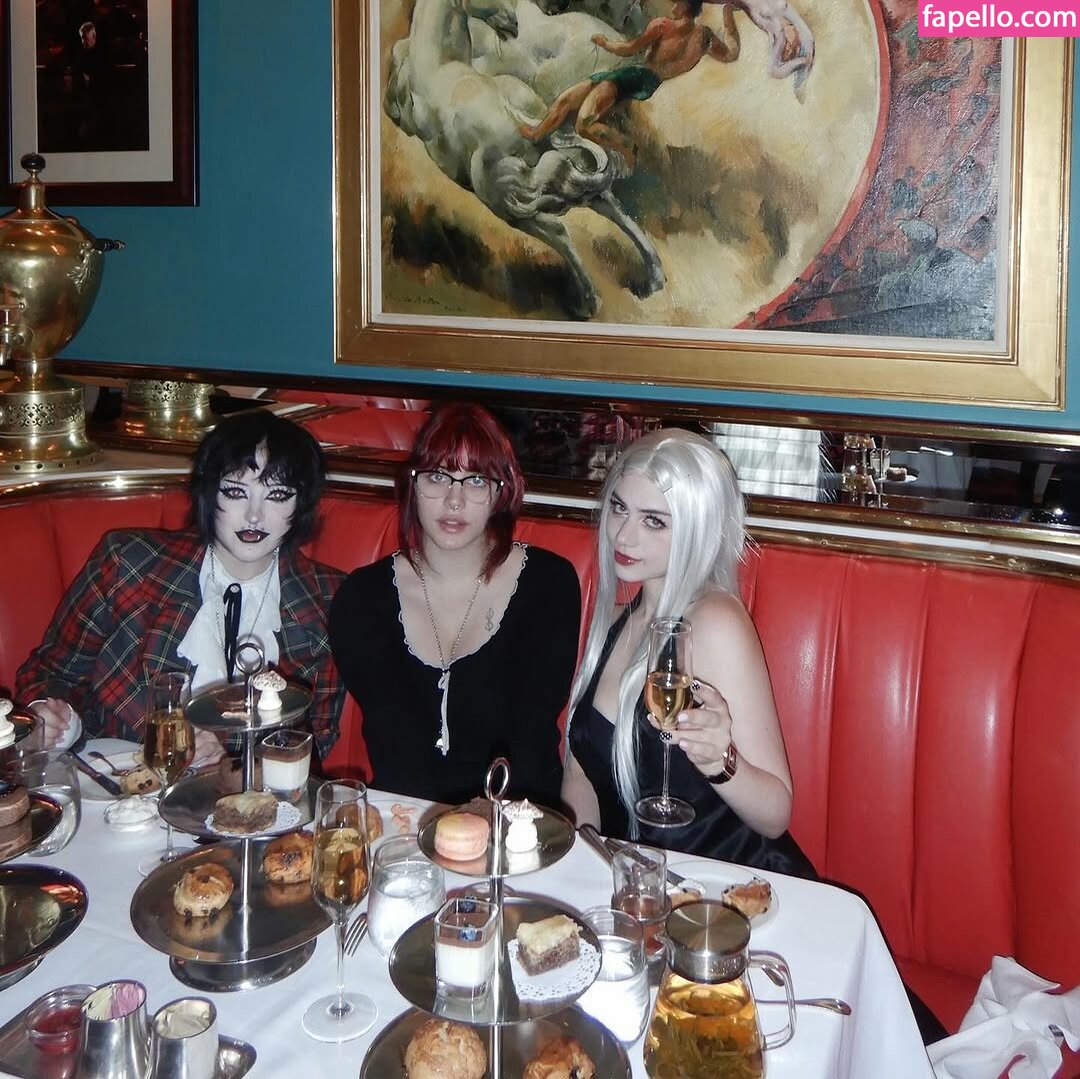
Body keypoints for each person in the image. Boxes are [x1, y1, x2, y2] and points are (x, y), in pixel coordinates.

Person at [17, 411, 346, 766]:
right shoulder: (129, 563)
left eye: (277, 495)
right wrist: (55, 721)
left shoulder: (329, 600)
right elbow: (51, 673)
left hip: (243, 797)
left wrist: (232, 764)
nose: (254, 515)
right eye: (235, 492)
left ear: (302, 504)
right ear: (208, 492)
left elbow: (316, 739)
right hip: (116, 779)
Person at [561, 426, 815, 875]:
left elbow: (775, 815)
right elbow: (580, 774)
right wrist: (575, 867)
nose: (623, 536)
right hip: (640, 885)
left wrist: (720, 762)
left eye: (654, 521)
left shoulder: (714, 622)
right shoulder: (619, 620)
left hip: (730, 889)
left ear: (698, 528)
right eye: (619, 508)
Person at [330, 404, 581, 806]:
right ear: (412, 484)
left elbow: (531, 743)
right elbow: (394, 748)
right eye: (437, 477)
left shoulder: (548, 584)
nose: (454, 500)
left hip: (519, 819)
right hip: (404, 819)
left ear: (501, 492)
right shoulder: (363, 598)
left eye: (476, 481)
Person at [519, 0, 740, 163]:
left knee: (584, 123)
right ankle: (536, 133)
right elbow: (731, 53)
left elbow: (628, 49)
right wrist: (728, 14)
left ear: (685, 5)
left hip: (634, 76)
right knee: (568, 99)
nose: (672, 4)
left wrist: (605, 43)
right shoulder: (704, 37)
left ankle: (626, 147)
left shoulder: (663, 26)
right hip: (647, 83)